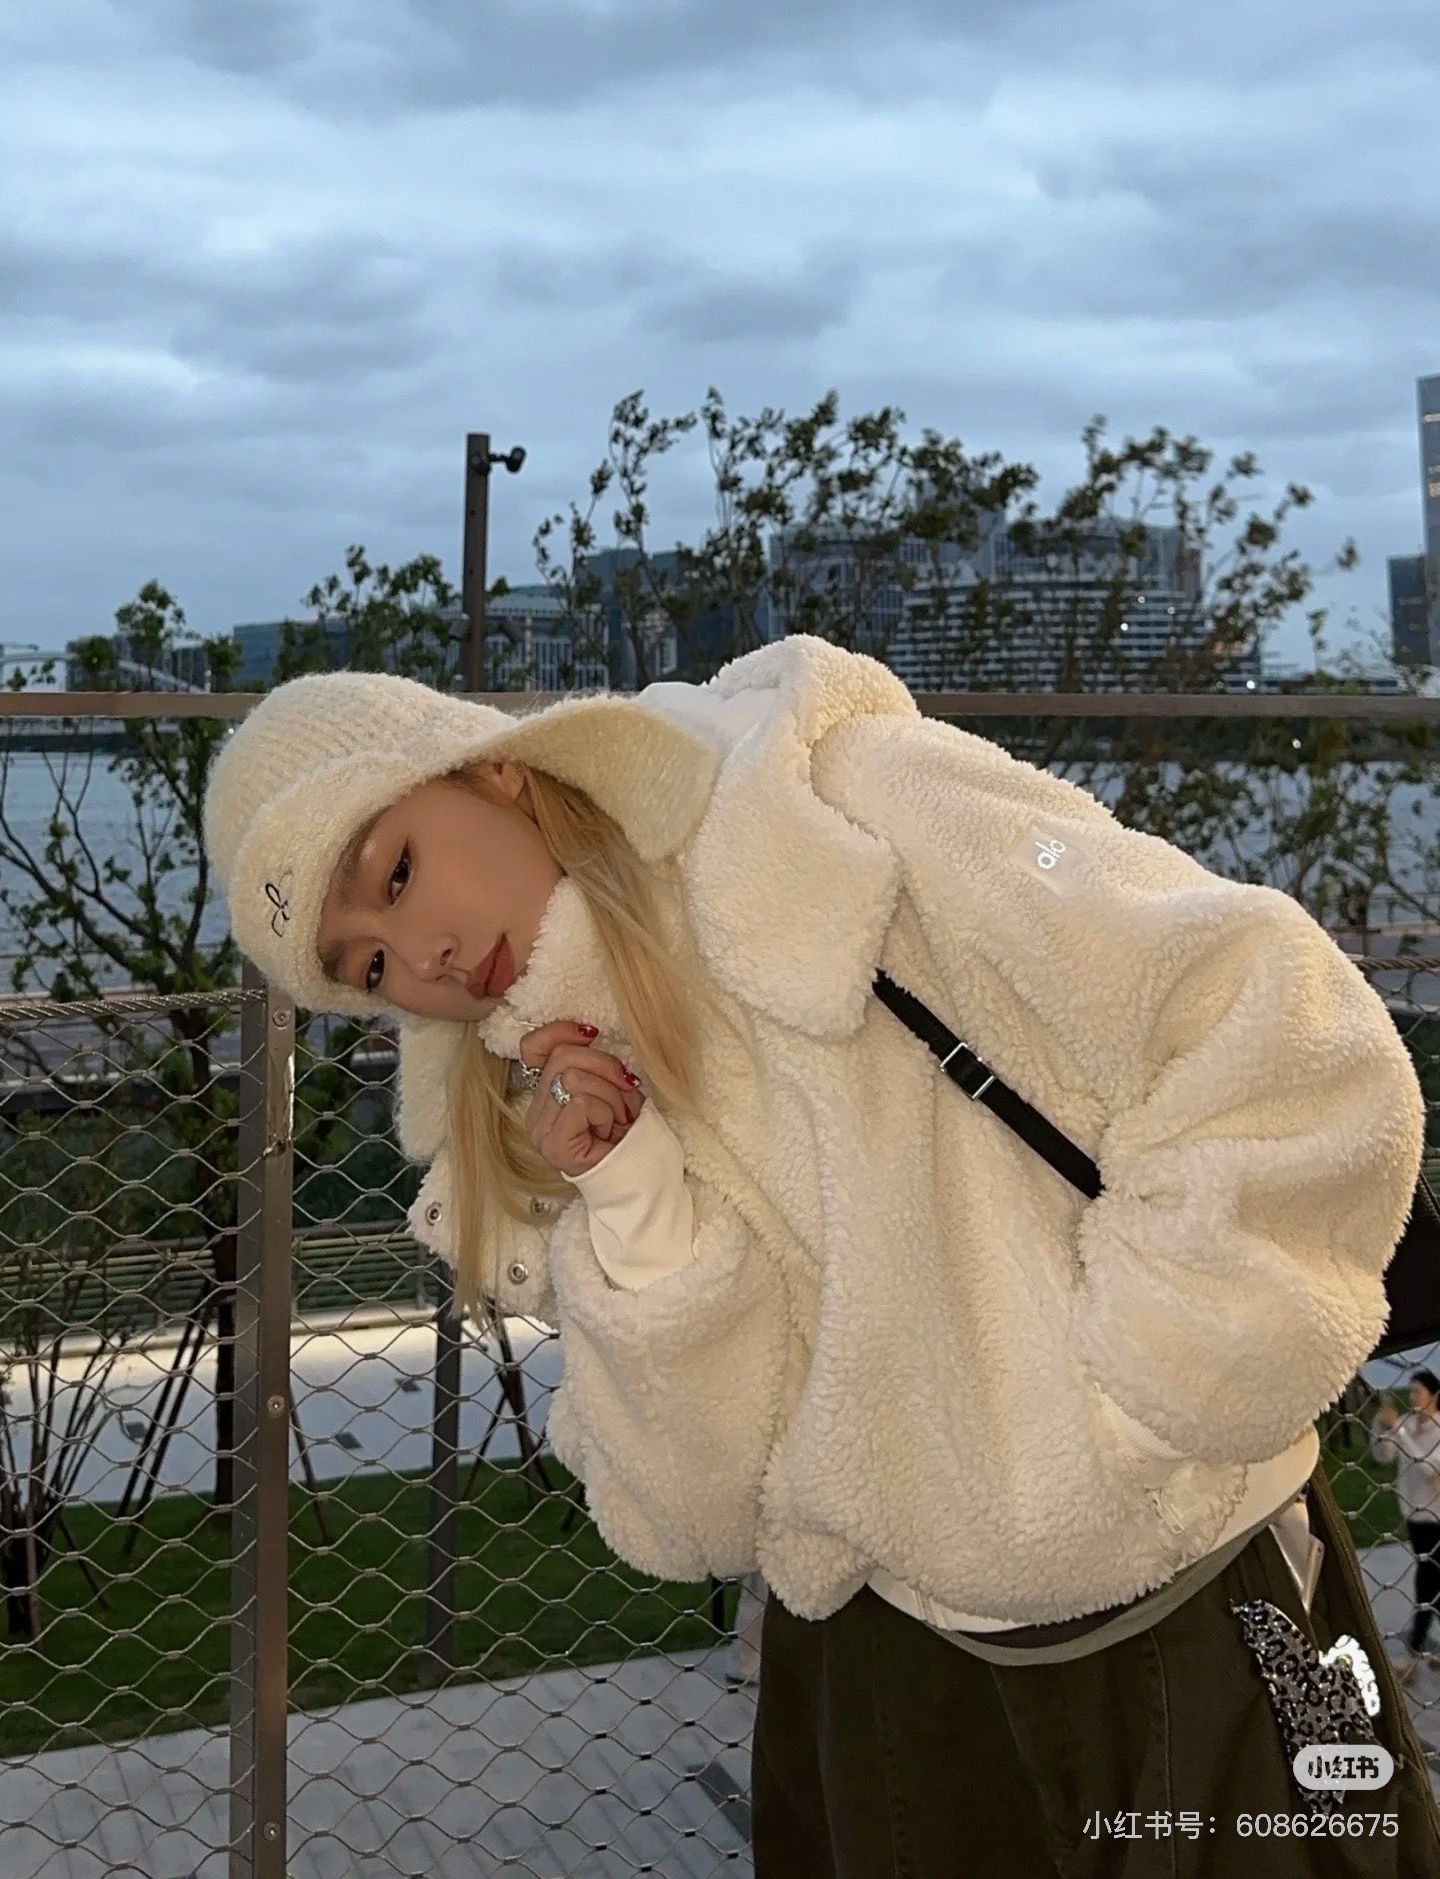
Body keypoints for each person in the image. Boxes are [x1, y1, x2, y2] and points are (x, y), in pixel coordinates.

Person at [203, 633, 1440, 1876]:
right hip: (880, 1676)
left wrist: (1142, 1403)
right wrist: (632, 1198)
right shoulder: (552, 1100)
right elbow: (693, 1516)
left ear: (498, 769)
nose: (419, 956)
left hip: (1189, 1599)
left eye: (397, 871)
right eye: (367, 966)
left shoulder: (838, 806)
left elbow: (1274, 1017)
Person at [1372, 1371, 1440, 1682]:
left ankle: (1411, 1658)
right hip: (1415, 1518)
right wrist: (1381, 1426)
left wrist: (1398, 1429)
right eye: (1410, 1391)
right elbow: (1383, 1456)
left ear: (1433, 1396)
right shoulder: (1409, 1425)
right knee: (1433, 1583)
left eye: (1417, 1392)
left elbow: (1428, 1469)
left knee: (1426, 1583)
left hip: (1436, 1519)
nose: (1412, 1397)